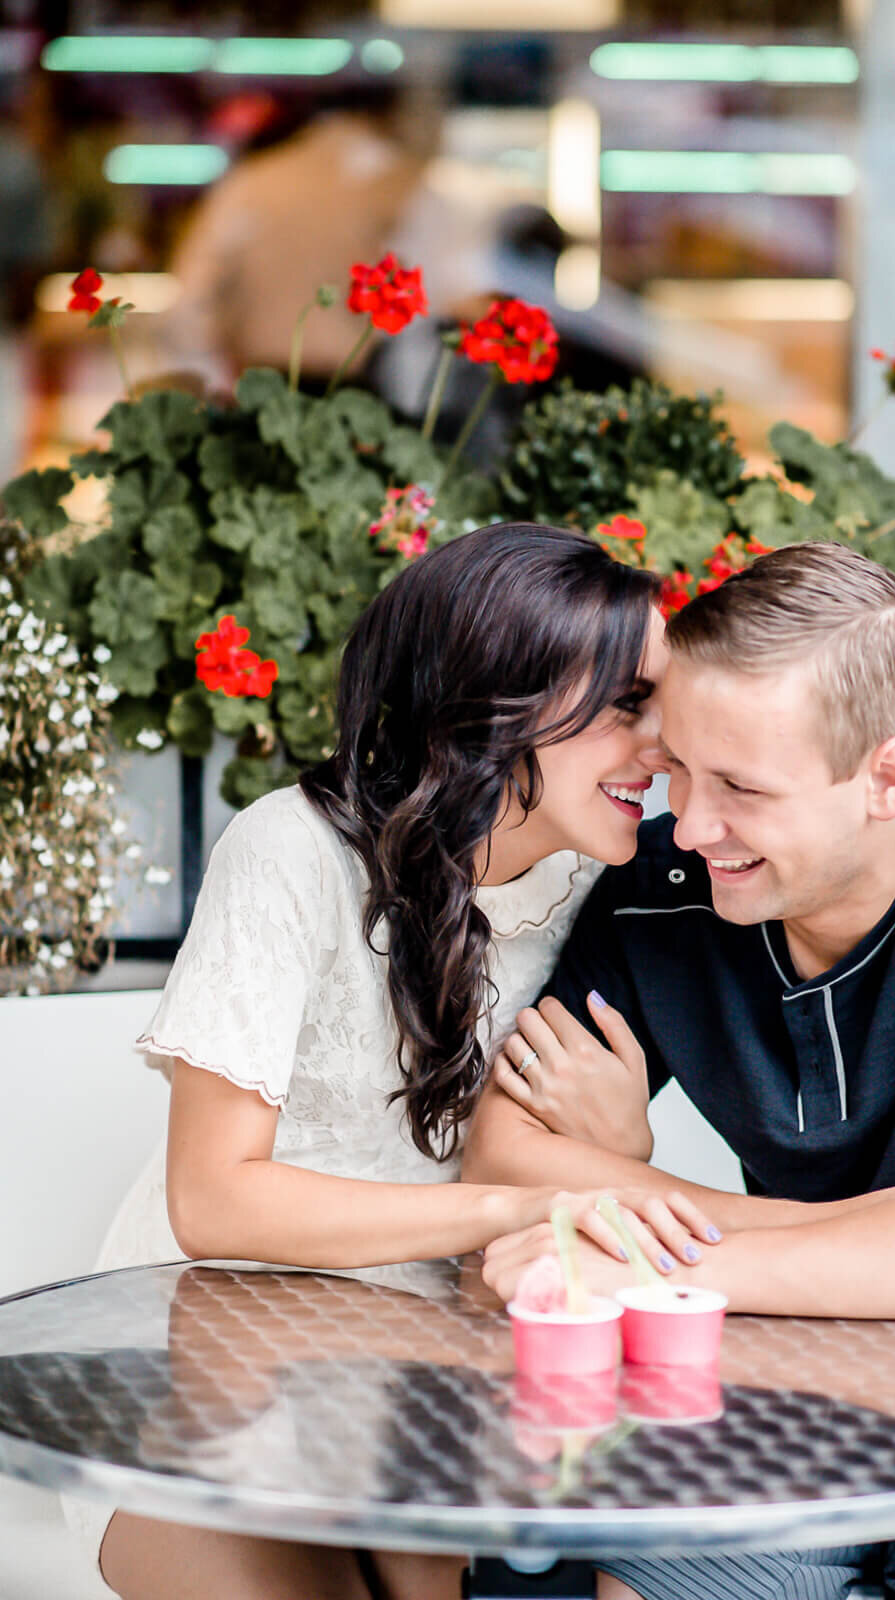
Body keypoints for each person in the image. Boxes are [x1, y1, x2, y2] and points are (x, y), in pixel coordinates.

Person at [82, 522, 716, 1600]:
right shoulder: (290, 851)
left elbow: (556, 1157)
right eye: (627, 704)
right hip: (204, 1368)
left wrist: (622, 1147)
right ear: (500, 703)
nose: (664, 748)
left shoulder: (601, 891)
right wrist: (515, 1208)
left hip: (423, 1381)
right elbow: (214, 1199)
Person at [468, 541, 895, 1600]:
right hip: (782, 1378)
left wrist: (654, 1254)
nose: (692, 827)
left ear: (888, 776)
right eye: (683, 771)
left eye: (743, 787)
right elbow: (506, 1150)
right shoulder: (658, 888)